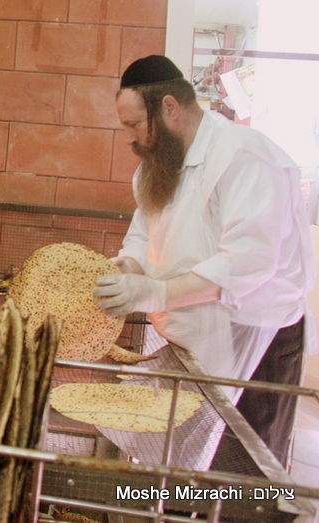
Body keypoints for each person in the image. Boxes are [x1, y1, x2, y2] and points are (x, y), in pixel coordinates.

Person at [93, 54, 314, 469]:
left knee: (245, 464)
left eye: (134, 124)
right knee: (184, 453)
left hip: (255, 335)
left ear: (170, 108)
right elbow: (143, 233)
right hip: (190, 331)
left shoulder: (245, 158)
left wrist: (156, 291)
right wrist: (129, 269)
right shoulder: (156, 169)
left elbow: (248, 263)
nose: (132, 137)